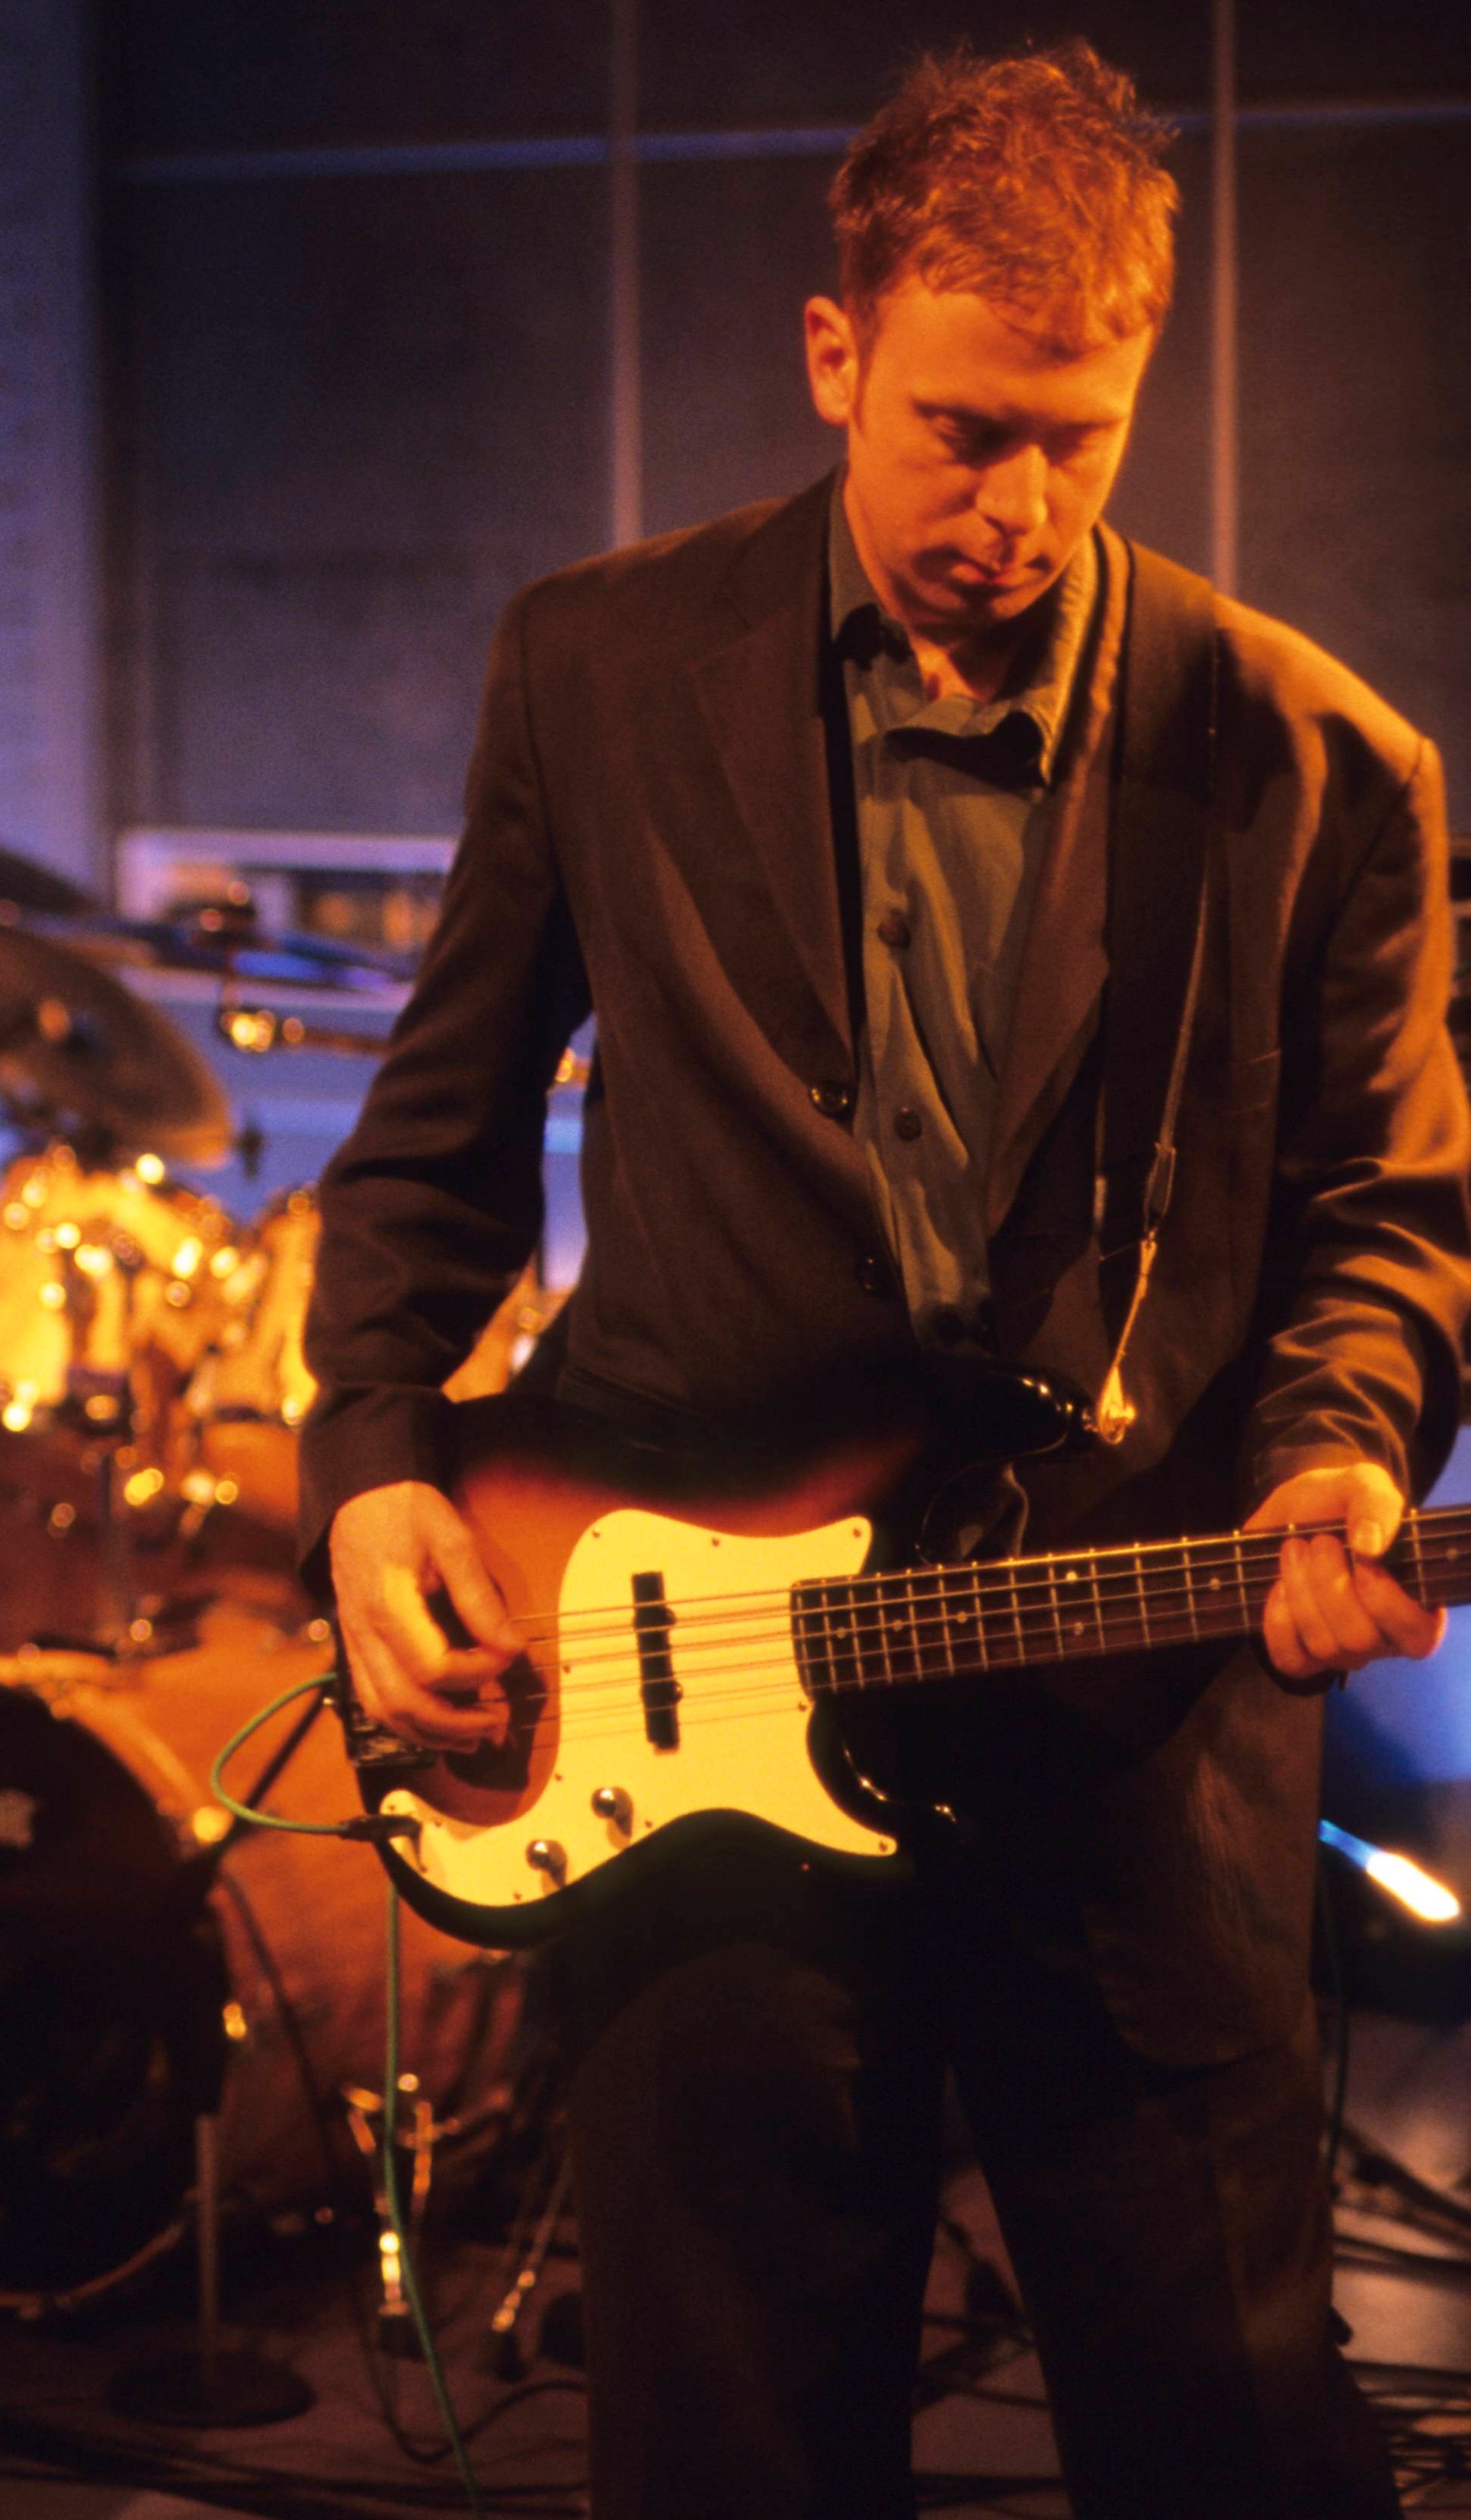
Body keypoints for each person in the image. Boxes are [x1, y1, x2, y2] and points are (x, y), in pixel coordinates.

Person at [304, 45, 1469, 2519]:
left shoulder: (1311, 762)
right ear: (828, 352)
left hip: (1128, 1749)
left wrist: (1339, 1449)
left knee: (1232, 2445)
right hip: (686, 1716)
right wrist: (373, 1461)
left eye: (1075, 433)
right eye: (956, 427)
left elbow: (1386, 1211)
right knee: (724, 2453)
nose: (1015, 505)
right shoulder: (593, 665)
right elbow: (427, 1145)